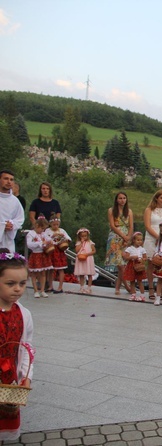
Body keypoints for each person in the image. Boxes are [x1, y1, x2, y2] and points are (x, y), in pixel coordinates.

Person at [0, 249, 35, 442]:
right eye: (10, 284)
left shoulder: (24, 314)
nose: (18, 289)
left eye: (22, 283)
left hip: (9, 376)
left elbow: (27, 348)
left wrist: (26, 376)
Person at [143, 190, 162, 300]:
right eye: (161, 198)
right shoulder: (149, 210)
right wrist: (157, 237)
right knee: (151, 263)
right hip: (152, 237)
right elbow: (147, 226)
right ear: (156, 198)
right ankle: (151, 288)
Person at [105, 192, 133, 296]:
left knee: (123, 263)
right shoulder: (111, 210)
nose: (122, 200)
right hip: (115, 238)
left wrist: (128, 237)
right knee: (120, 265)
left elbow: (131, 226)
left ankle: (119, 287)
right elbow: (112, 225)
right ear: (116, 199)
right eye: (120, 198)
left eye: (124, 198)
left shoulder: (129, 211)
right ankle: (126, 286)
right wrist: (123, 236)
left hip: (125, 239)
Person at [26, 216, 53, 298]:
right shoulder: (31, 233)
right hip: (35, 254)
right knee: (34, 273)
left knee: (43, 273)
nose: (43, 230)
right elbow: (29, 244)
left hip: (43, 254)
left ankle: (42, 290)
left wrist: (49, 241)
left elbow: (48, 239)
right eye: (42, 228)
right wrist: (40, 243)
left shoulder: (43, 233)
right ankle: (35, 290)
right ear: (37, 226)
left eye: (44, 229)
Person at [45, 214, 71, 294]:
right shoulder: (47, 231)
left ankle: (60, 287)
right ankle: (50, 286)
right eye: (54, 225)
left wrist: (63, 237)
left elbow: (69, 239)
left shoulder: (61, 230)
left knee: (60, 269)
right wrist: (52, 236)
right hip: (51, 250)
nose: (56, 226)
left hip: (59, 250)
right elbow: (45, 239)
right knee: (50, 269)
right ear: (50, 224)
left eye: (57, 224)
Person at [0, 170, 25, 253]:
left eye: (11, 179)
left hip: (8, 240)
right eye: (6, 178)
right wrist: (2, 226)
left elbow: (20, 219)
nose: (9, 182)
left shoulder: (15, 201)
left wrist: (12, 224)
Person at [123, 232, 148, 302]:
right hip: (132, 264)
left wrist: (142, 260)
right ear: (133, 240)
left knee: (140, 281)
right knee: (132, 280)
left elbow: (145, 258)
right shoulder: (130, 248)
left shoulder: (142, 249)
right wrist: (132, 257)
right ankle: (133, 294)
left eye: (141, 240)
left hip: (139, 264)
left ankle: (142, 295)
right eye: (138, 240)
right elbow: (126, 257)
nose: (139, 241)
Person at [74, 228, 96, 294]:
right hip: (81, 259)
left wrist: (87, 254)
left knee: (89, 274)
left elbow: (94, 251)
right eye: (82, 236)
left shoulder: (90, 242)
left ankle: (89, 288)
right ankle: (81, 287)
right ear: (79, 236)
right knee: (81, 274)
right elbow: (77, 250)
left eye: (85, 236)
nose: (84, 237)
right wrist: (81, 242)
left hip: (88, 259)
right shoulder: (78, 243)